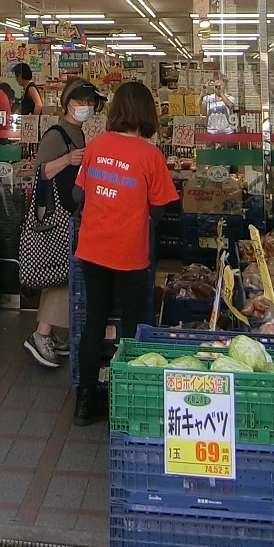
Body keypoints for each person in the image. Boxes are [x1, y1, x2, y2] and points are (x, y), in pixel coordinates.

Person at [71, 79, 179, 425]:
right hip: (129, 252)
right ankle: (126, 403)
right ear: (148, 113)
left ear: (116, 110)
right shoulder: (151, 155)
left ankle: (84, 402)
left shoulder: (97, 146)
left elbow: (78, 195)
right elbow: (160, 210)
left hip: (92, 247)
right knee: (132, 325)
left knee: (94, 321)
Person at [23, 80, 98, 369]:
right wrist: (67, 159)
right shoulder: (56, 134)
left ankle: (49, 332)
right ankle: (41, 334)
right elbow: (39, 172)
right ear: (67, 103)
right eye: (80, 102)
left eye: (90, 103)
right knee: (60, 273)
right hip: (56, 216)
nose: (85, 107)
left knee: (64, 272)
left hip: (71, 212)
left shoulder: (79, 132)